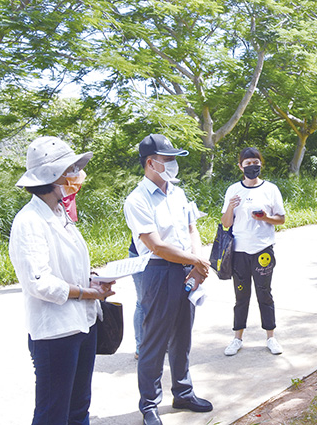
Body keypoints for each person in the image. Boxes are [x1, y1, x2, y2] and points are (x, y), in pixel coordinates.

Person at [9, 136, 115, 424]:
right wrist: (86, 293)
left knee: (79, 409)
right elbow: (39, 282)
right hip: (55, 333)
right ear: (52, 176)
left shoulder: (60, 213)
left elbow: (68, 266)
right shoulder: (29, 221)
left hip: (83, 324)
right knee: (52, 413)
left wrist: (92, 281)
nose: (77, 176)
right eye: (71, 170)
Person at [124, 133, 213, 425]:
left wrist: (197, 265)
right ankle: (149, 404)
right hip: (159, 271)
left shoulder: (177, 192)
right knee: (155, 340)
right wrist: (195, 261)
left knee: (182, 335)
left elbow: (191, 230)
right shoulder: (137, 200)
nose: (174, 164)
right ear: (151, 162)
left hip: (186, 269)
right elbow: (156, 245)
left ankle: (183, 393)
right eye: (168, 159)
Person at [221, 147, 286, 357]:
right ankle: (237, 339)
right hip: (239, 251)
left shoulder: (271, 189)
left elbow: (281, 219)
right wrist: (230, 207)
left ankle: (271, 337)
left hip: (263, 250)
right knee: (241, 296)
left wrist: (265, 217)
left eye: (255, 162)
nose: (252, 167)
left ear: (261, 164)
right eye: (247, 163)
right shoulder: (233, 190)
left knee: (264, 294)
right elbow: (225, 223)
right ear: (240, 166)